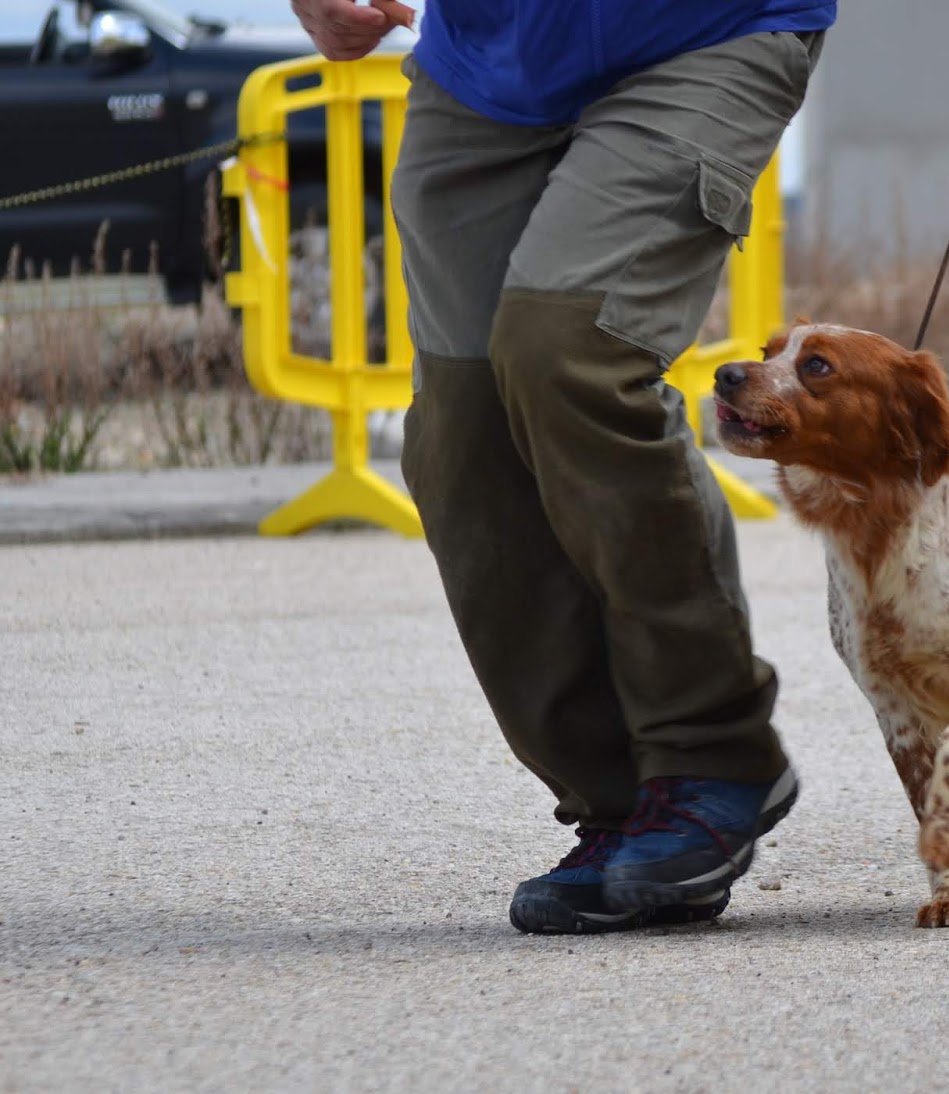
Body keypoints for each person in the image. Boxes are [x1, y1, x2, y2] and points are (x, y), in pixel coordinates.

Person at [290, 0, 834, 933]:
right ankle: (624, 805)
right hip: (484, 63)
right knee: (462, 433)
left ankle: (710, 756)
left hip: (702, 31)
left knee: (569, 349)